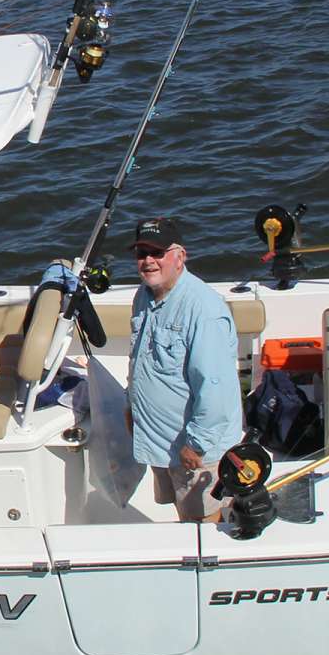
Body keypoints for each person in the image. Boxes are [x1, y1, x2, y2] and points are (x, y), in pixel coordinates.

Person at [125, 215, 243, 522]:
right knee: (183, 515)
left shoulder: (203, 310)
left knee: (205, 523)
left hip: (195, 452)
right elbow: (140, 357)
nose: (149, 261)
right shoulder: (144, 296)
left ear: (180, 257)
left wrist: (197, 444)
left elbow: (215, 387)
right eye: (141, 254)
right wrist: (131, 403)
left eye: (157, 253)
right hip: (160, 441)